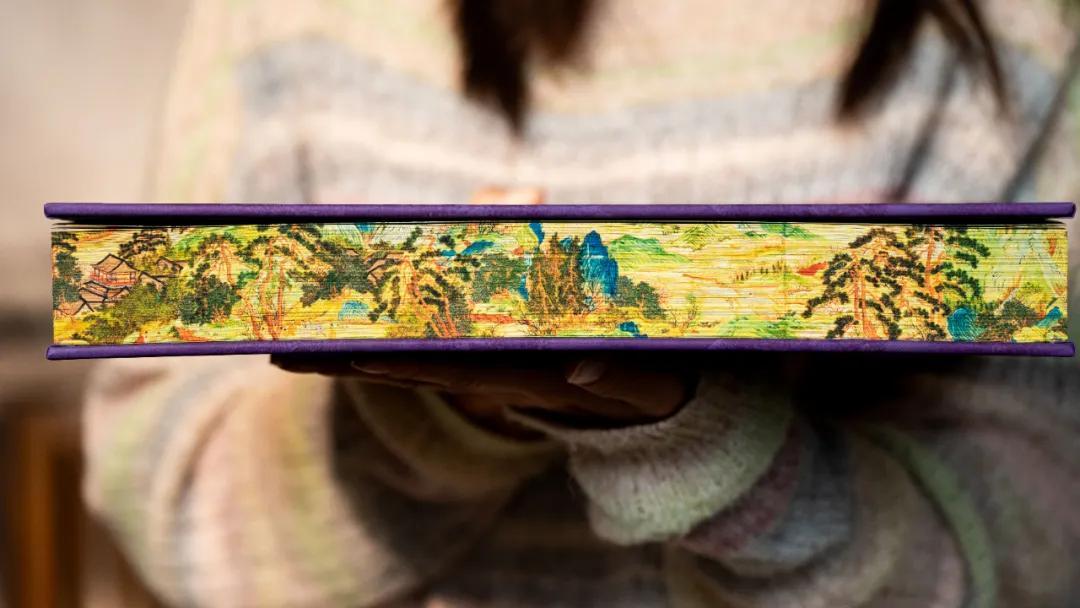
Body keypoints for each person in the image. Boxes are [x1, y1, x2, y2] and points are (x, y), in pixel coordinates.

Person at [84, 1, 1080, 606]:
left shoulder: (1020, 27)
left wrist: (723, 456)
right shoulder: (286, 18)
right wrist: (444, 420)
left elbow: (1046, 549)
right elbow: (175, 509)